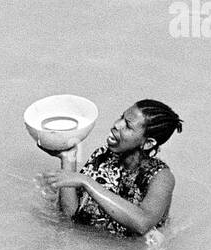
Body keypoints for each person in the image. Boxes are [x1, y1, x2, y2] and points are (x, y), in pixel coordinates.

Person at [42, 99, 182, 236]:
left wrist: (86, 182)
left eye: (127, 126)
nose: (116, 125)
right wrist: (68, 158)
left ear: (148, 143)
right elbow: (70, 216)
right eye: (121, 117)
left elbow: (143, 223)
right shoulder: (103, 156)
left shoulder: (161, 177)